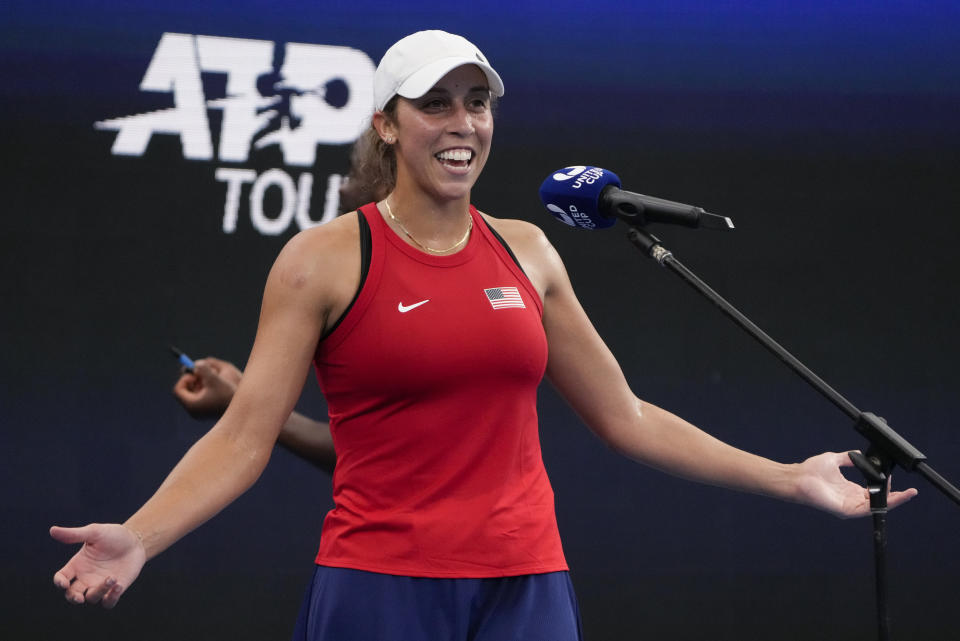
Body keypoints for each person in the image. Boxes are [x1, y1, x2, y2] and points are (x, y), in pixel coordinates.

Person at [51, 30, 917, 640]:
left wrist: (791, 479)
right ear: (387, 123)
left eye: (477, 103)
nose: (464, 123)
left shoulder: (530, 250)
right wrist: (143, 534)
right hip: (379, 586)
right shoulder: (323, 259)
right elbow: (244, 439)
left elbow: (626, 416)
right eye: (435, 104)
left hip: (529, 586)